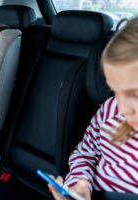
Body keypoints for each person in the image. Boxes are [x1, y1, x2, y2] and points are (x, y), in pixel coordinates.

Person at [49, 18, 138, 200]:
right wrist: (79, 185)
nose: (122, 108)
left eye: (135, 94)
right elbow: (85, 153)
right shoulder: (110, 108)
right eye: (115, 91)